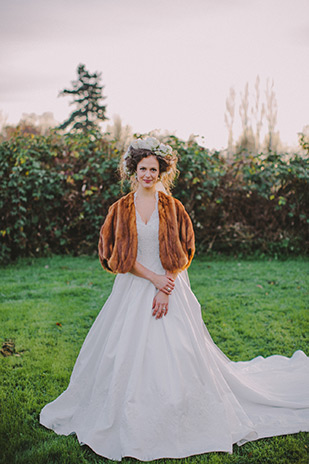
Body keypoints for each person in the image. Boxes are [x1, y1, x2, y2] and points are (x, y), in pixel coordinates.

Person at [40, 136, 309, 461]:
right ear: (133, 170)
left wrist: (167, 286)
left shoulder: (173, 207)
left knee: (180, 348)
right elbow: (114, 254)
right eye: (143, 169)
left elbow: (185, 249)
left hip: (171, 287)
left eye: (154, 169)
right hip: (135, 285)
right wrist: (153, 280)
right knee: (123, 352)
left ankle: (184, 408)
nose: (148, 175)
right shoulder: (120, 209)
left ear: (162, 171)